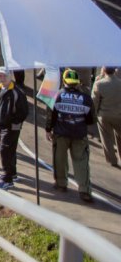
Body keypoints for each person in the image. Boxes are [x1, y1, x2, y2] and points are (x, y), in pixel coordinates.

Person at [48, 69, 96, 203]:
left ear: (64, 81)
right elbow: (91, 119)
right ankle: (84, 190)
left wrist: (48, 129)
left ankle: (61, 184)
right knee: (81, 162)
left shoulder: (57, 95)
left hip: (61, 134)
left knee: (59, 159)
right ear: (77, 82)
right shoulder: (86, 98)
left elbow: (50, 115)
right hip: (79, 134)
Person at [0, 67, 29, 190]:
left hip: (11, 127)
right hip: (1, 125)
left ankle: (7, 180)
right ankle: (12, 174)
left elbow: (23, 112)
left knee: (5, 151)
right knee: (9, 151)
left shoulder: (17, 92)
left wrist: (13, 122)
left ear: (10, 76)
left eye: (4, 75)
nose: (2, 78)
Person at [92, 67, 121, 168]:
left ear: (104, 71)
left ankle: (112, 159)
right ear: (114, 70)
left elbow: (94, 102)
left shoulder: (99, 84)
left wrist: (94, 115)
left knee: (106, 138)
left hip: (104, 115)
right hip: (119, 115)